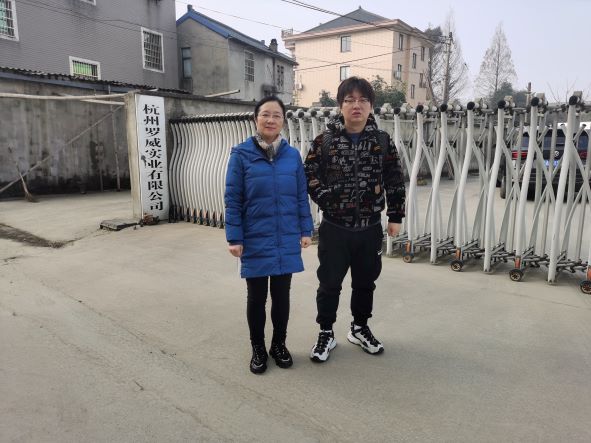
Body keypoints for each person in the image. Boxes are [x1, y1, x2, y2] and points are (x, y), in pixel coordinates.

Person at [304, 77, 406, 363]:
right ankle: (326, 332)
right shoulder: (324, 141)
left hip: (369, 228)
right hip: (335, 228)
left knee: (365, 283)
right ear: (340, 106)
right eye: (349, 100)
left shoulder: (382, 141)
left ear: (371, 105)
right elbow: (309, 175)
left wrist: (395, 215)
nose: (356, 105)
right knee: (329, 284)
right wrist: (328, 199)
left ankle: (359, 328)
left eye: (362, 100)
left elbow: (395, 179)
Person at [224, 96, 313, 374]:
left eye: (276, 115)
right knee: (256, 297)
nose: (271, 120)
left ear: (283, 121)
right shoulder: (241, 155)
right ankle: (258, 348)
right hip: (255, 236)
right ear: (256, 119)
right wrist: (234, 237)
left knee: (282, 296)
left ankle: (279, 345)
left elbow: (300, 195)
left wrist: (305, 229)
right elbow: (233, 199)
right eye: (265, 114)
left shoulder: (292, 156)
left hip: (286, 235)